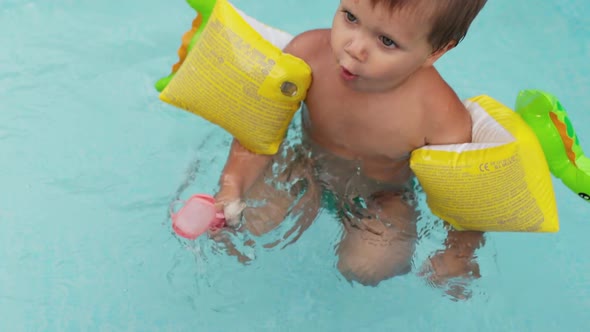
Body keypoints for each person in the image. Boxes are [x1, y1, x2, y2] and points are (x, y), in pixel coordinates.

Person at [213, 0, 488, 297]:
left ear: (435, 52)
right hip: (303, 163)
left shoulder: (439, 114)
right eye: (351, 17)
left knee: (368, 269)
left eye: (386, 41)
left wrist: (459, 253)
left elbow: (463, 198)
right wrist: (231, 186)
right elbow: (257, 132)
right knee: (240, 230)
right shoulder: (307, 55)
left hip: (383, 195)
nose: (354, 47)